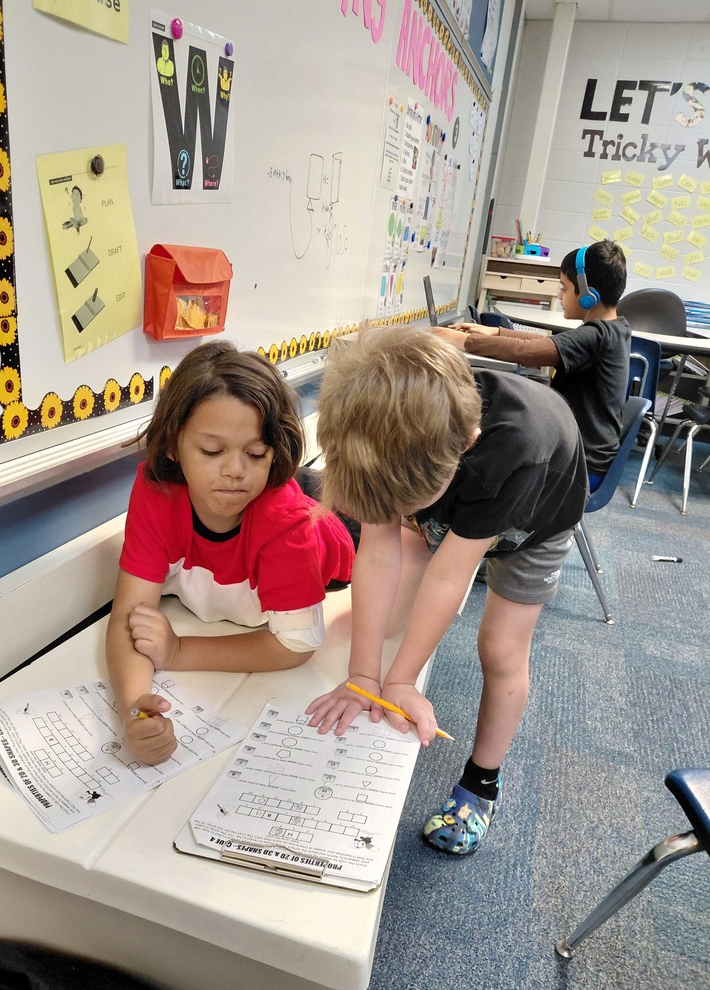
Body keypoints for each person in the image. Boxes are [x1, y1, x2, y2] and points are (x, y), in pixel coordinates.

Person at [306, 325, 588, 855]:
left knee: (501, 648)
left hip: (537, 515)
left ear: (465, 444)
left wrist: (403, 680)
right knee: (393, 606)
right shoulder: (375, 435)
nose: (401, 513)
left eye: (407, 505)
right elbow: (377, 548)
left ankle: (483, 782)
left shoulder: (510, 452)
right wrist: (365, 679)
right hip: (451, 493)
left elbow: (450, 574)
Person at [107, 341, 355, 765]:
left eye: (256, 453)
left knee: (374, 519)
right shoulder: (156, 491)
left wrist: (179, 652)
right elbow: (128, 619)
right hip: (280, 500)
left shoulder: (288, 524)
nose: (235, 470)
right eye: (211, 451)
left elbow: (297, 645)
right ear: (172, 446)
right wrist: (135, 709)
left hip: (337, 531)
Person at [433, 239, 630, 491]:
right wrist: (494, 332)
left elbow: (531, 352)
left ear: (588, 296)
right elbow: (549, 343)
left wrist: (465, 341)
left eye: (564, 288)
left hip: (578, 466)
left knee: (486, 454)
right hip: (578, 453)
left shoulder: (598, 335)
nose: (560, 295)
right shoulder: (613, 328)